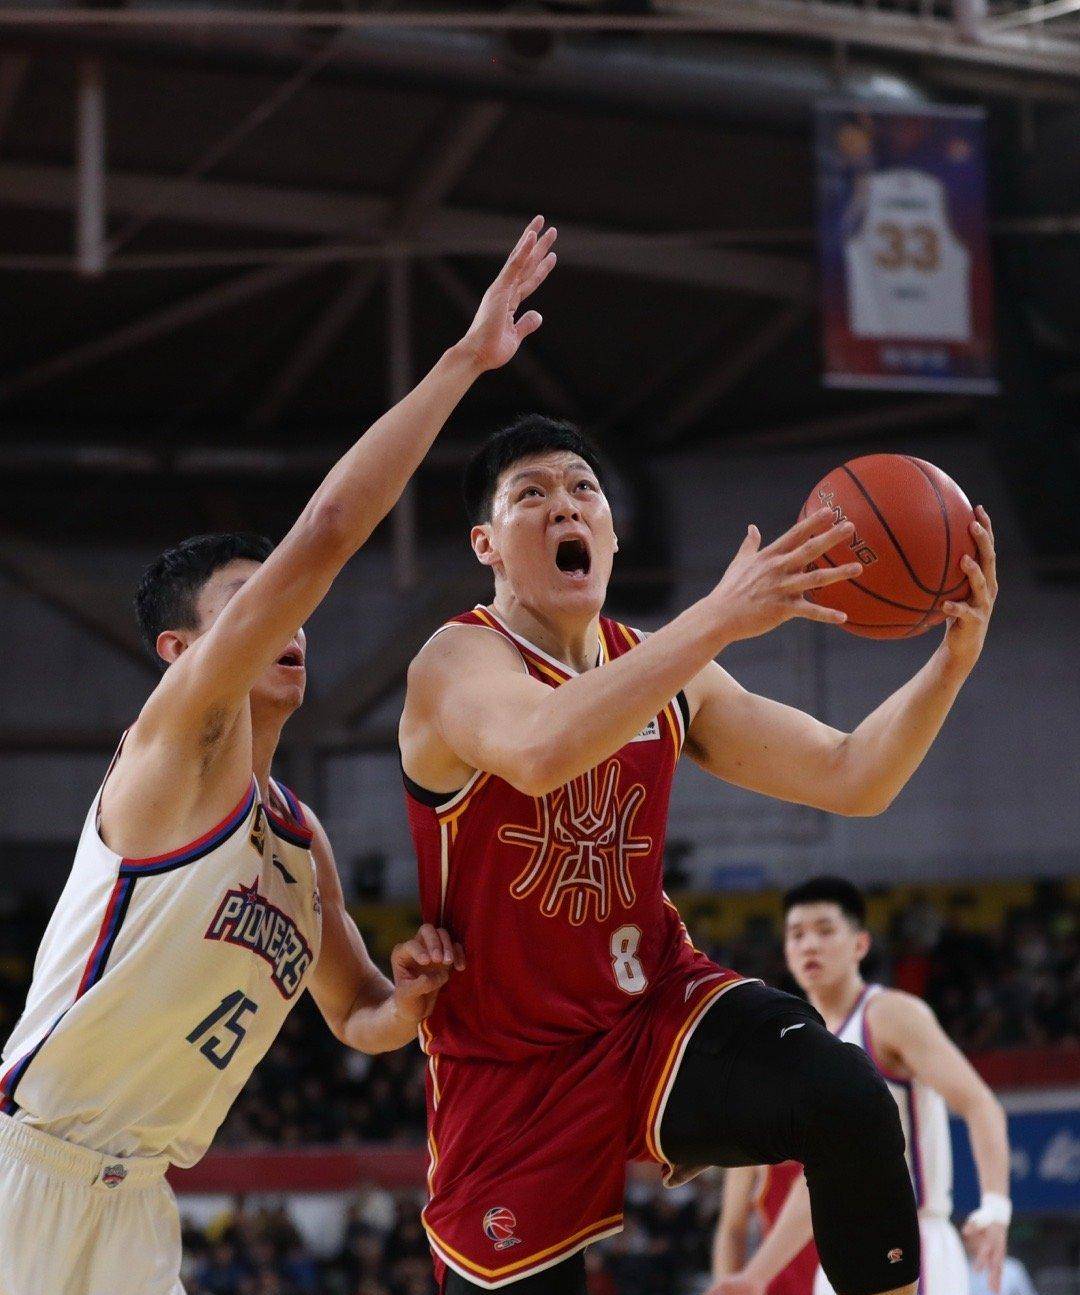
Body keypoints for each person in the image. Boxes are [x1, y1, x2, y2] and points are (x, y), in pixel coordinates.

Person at [0, 217, 558, 1295]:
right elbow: (333, 528)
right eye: (246, 607)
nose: (284, 621)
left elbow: (359, 1019)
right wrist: (462, 363)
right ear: (180, 651)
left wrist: (416, 995)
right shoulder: (170, 745)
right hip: (26, 1166)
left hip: (139, 1196)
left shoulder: (300, 840)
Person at [398, 413, 999, 1294]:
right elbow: (538, 749)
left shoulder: (664, 666)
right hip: (511, 1071)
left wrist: (952, 663)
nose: (564, 505)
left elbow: (852, 774)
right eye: (532, 495)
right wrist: (718, 617)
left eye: (583, 490)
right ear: (487, 542)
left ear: (608, 532)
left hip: (653, 1015)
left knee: (847, 1096)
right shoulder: (456, 660)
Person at [712, 877, 1011, 1295]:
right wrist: (754, 1277)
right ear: (786, 952)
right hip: (839, 1255)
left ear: (860, 945)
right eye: (797, 934)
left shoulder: (889, 1014)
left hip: (913, 1245)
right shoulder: (800, 1044)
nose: (809, 944)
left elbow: (981, 1104)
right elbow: (819, 1181)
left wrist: (995, 1206)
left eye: (825, 930)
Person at [713, 1163, 818, 1295]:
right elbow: (733, 1230)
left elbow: (812, 1191)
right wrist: (728, 1287)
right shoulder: (750, 1151)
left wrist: (752, 1277)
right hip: (774, 1285)